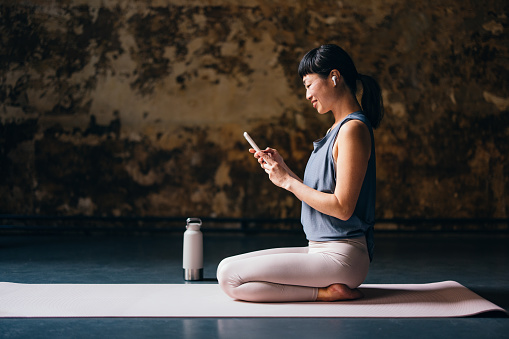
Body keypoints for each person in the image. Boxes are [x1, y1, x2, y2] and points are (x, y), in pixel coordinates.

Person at [216, 44, 384, 302]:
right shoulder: (335, 131)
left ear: (334, 77)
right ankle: (327, 290)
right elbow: (320, 195)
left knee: (230, 277)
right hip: (320, 250)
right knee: (226, 266)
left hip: (343, 256)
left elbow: (342, 208)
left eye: (308, 85)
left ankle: (326, 294)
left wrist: (288, 183)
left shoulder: (352, 130)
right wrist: (283, 172)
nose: (307, 95)